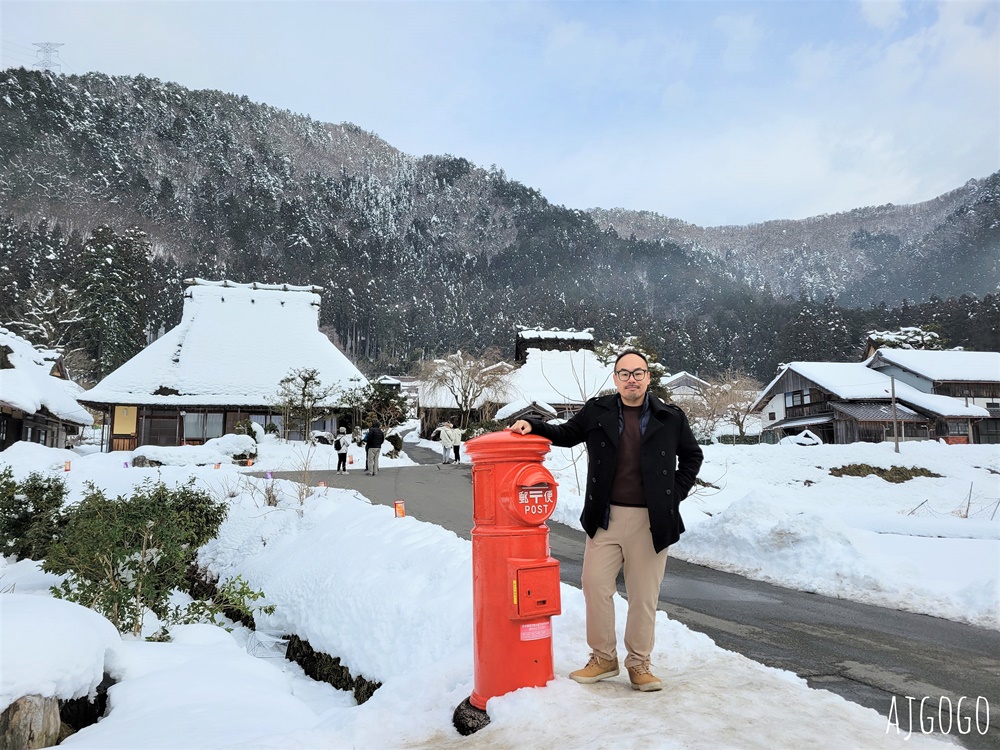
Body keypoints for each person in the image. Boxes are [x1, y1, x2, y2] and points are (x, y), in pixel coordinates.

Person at [510, 350, 703, 693]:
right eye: (624, 373)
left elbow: (692, 455)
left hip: (652, 520)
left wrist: (674, 493)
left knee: (644, 596)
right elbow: (567, 433)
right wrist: (534, 425)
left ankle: (639, 664)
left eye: (638, 373)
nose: (632, 379)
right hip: (606, 516)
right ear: (615, 378)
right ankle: (603, 658)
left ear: (648, 377)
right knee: (594, 584)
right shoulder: (598, 410)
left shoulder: (670, 416)